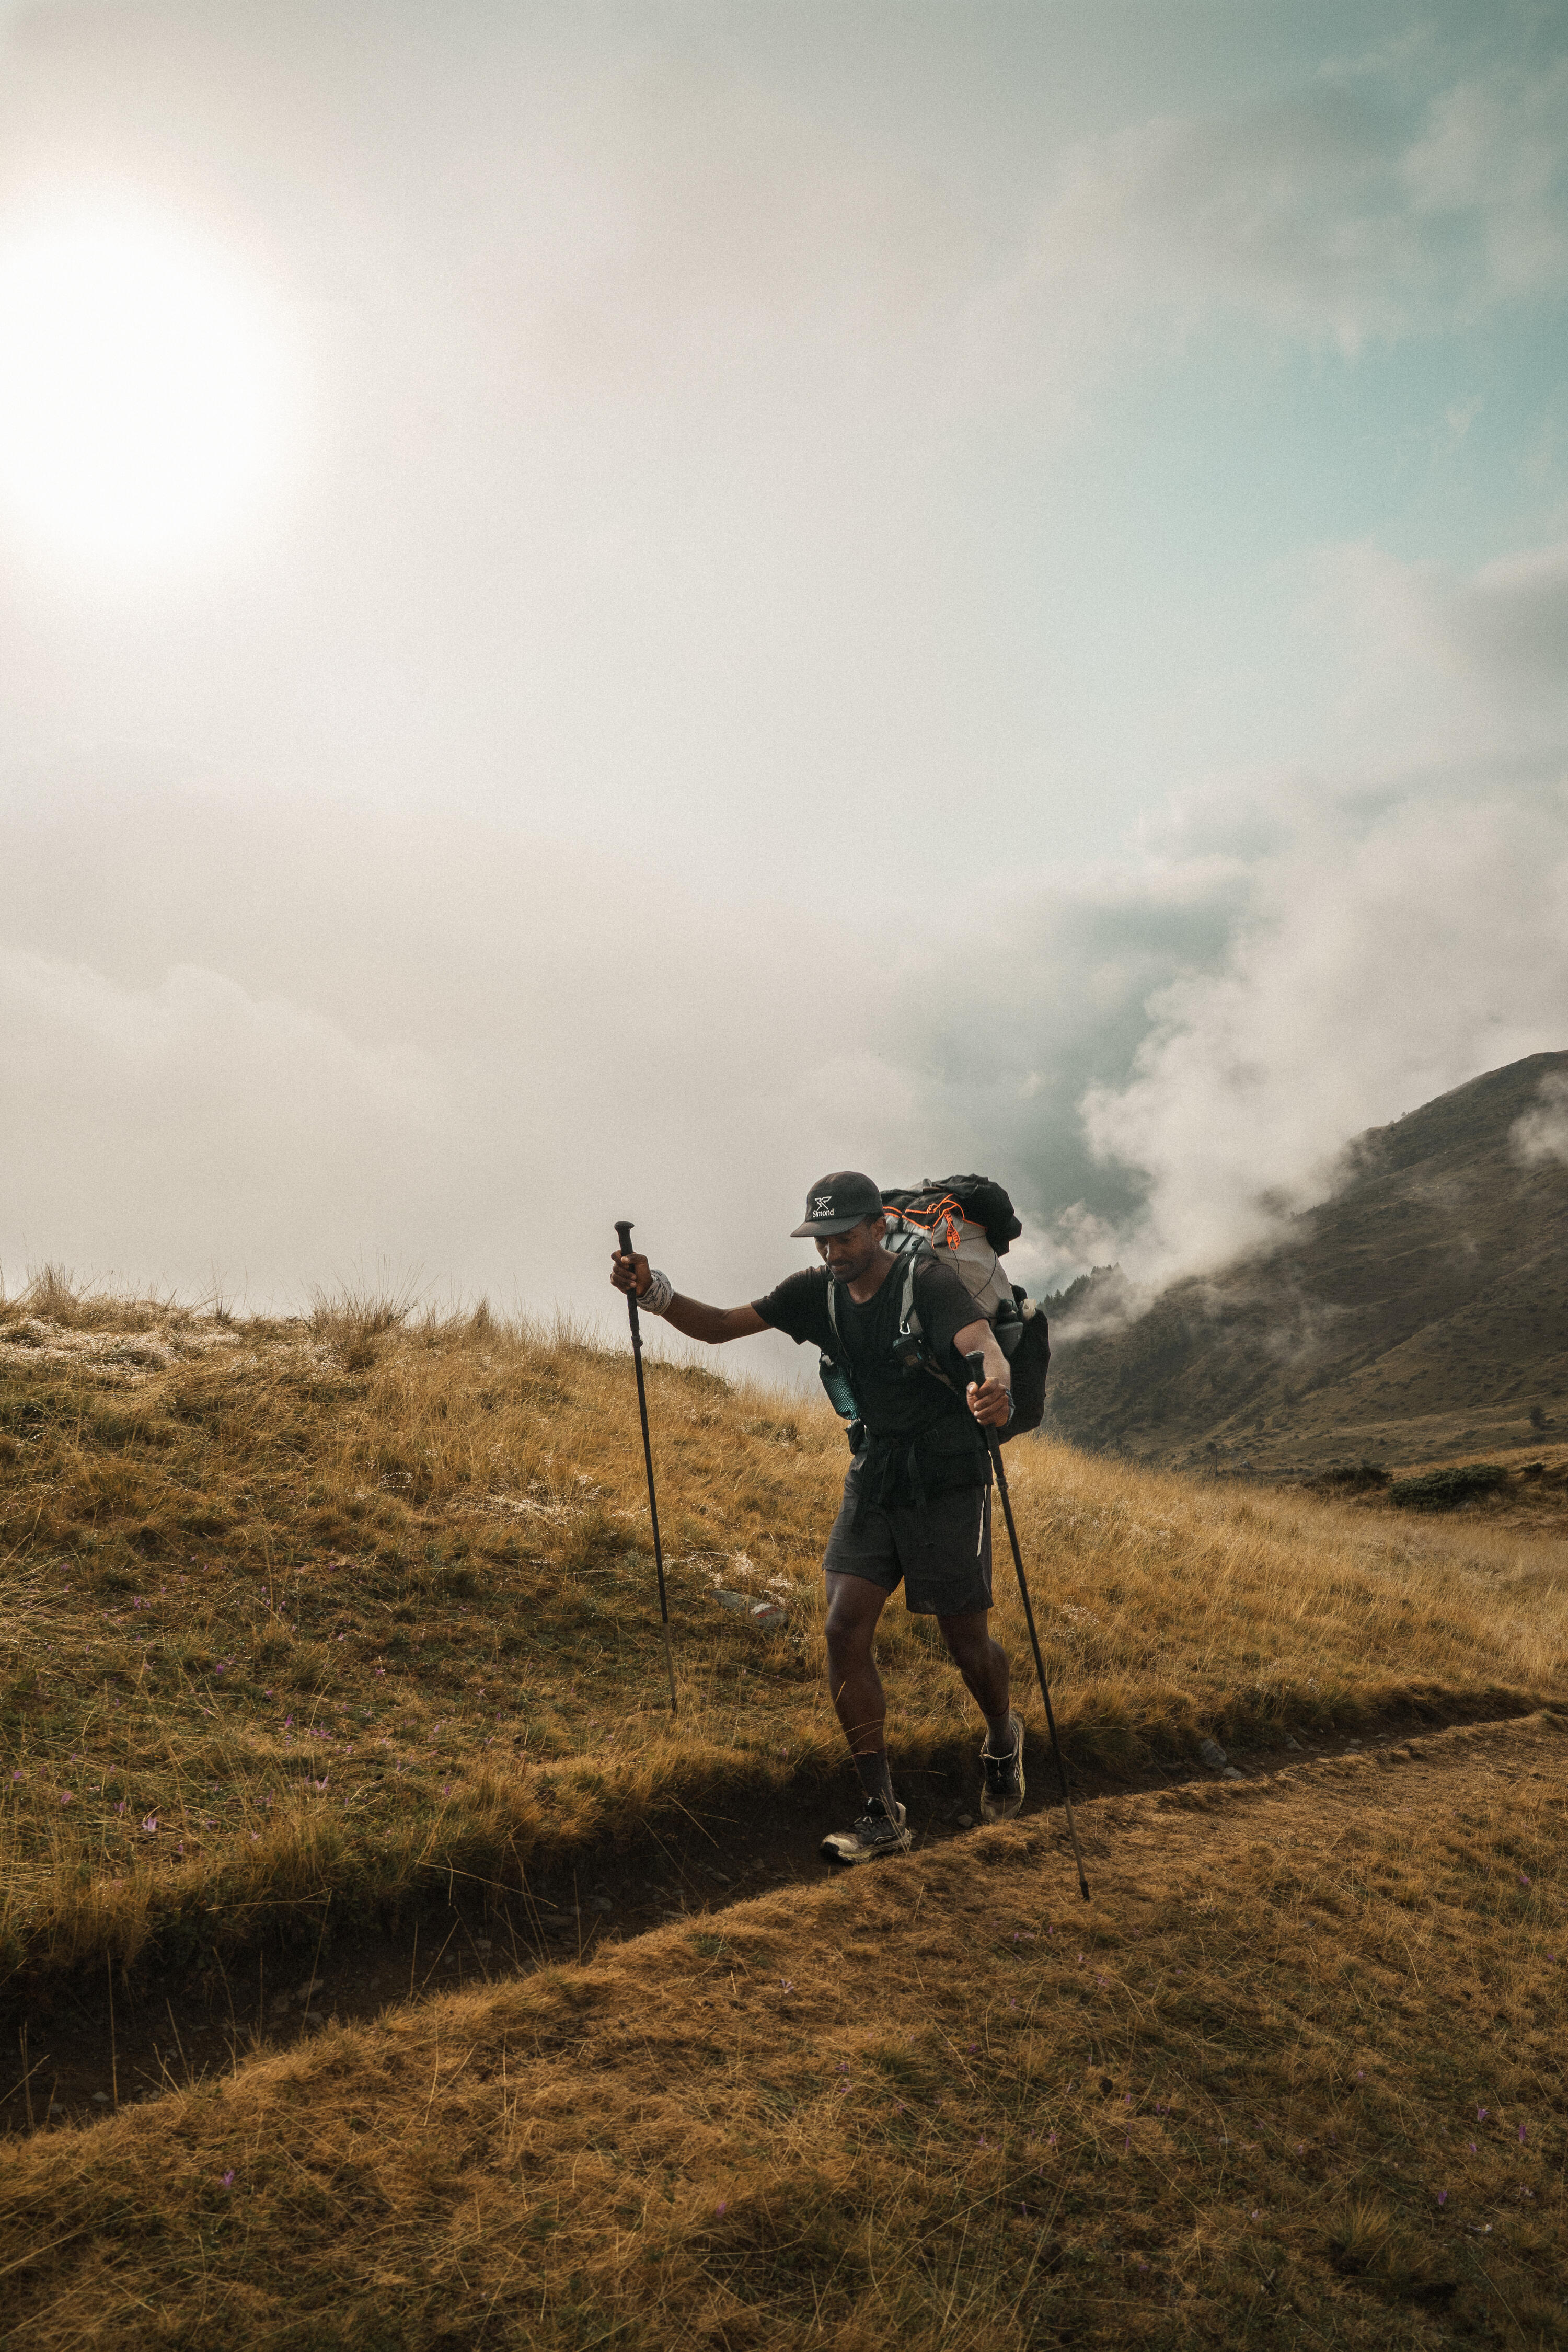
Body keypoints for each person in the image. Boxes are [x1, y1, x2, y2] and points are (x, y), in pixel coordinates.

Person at [610, 1169, 1024, 1863]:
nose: (831, 1251)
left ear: (874, 1228)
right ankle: (883, 1815)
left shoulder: (927, 1284)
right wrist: (653, 1292)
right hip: (876, 1473)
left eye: (843, 1236)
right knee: (842, 1629)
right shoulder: (816, 1295)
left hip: (949, 1478)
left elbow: (983, 1346)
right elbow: (718, 1328)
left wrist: (996, 1392)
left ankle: (1003, 1737)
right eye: (820, 1239)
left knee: (966, 1644)